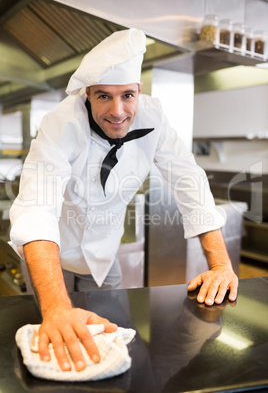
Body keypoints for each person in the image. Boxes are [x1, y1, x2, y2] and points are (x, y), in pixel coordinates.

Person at [9, 28, 238, 373]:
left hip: (105, 256)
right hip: (48, 256)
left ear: (139, 91)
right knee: (59, 348)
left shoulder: (154, 116)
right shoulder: (60, 124)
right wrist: (56, 307)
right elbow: (36, 208)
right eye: (103, 96)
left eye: (127, 96)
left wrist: (220, 264)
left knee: (118, 344)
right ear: (87, 94)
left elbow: (189, 180)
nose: (118, 111)